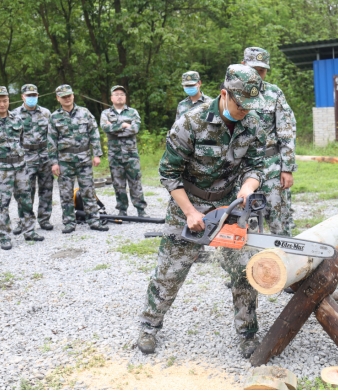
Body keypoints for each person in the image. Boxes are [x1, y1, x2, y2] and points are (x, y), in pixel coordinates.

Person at [135, 64, 266, 359]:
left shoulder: (253, 122)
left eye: (249, 106)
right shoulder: (190, 123)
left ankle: (247, 333)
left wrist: (248, 187)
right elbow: (168, 174)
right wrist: (191, 212)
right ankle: (149, 326)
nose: (245, 111)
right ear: (224, 94)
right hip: (188, 204)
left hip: (229, 205)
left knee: (244, 270)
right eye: (240, 105)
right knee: (170, 271)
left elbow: (256, 165)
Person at [0, 86, 44, 250]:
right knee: (2, 203)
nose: (2, 104)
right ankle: (5, 236)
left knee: (25, 200)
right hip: (1, 168)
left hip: (20, 165)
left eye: (5, 100)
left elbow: (21, 140)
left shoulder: (17, 119)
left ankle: (29, 231)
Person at [242, 47, 297, 236]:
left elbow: (286, 131)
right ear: (243, 66)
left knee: (279, 221)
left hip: (271, 166)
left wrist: (287, 168)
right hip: (243, 167)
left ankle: (285, 261)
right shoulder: (232, 95)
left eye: (262, 71)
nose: (258, 75)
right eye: (253, 70)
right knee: (247, 222)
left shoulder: (274, 94)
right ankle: (251, 263)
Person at [47, 84, 108, 234]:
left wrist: (97, 154)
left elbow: (94, 133)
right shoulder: (54, 117)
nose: (67, 99)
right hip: (64, 160)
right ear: (58, 98)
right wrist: (54, 163)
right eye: (63, 97)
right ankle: (69, 222)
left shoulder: (85, 113)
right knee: (66, 193)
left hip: (84, 159)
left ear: (73, 95)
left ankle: (93, 220)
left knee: (88, 190)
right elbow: (51, 141)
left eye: (69, 95)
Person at [11, 84, 54, 234]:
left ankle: (44, 219)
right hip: (25, 157)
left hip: (44, 155)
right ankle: (24, 221)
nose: (31, 98)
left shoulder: (46, 113)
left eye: (34, 95)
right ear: (22, 96)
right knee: (25, 192)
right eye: (28, 95)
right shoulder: (14, 114)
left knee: (46, 190)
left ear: (38, 96)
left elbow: (52, 135)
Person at [100, 85, 148, 217]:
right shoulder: (106, 113)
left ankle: (141, 209)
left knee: (135, 182)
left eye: (122, 94)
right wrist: (123, 125)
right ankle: (122, 210)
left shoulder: (132, 112)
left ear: (125, 97)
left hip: (131, 155)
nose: (119, 96)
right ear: (111, 97)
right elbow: (105, 128)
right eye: (116, 94)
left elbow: (135, 129)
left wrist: (115, 128)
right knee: (118, 183)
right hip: (115, 155)